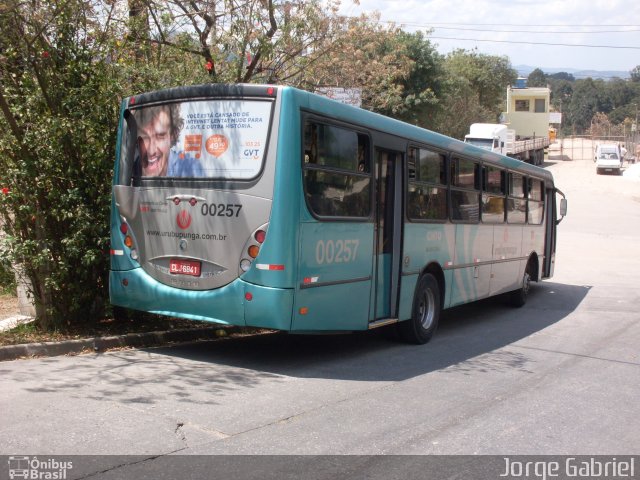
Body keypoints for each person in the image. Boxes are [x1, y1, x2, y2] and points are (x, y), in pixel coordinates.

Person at [136, 104, 203, 177]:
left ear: (172, 136)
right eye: (145, 137)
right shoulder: (129, 168)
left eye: (160, 136)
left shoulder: (190, 168)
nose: (151, 151)